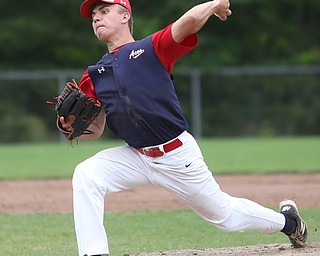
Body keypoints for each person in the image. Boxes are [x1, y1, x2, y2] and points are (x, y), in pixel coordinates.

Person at [60, 0, 308, 255]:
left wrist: (215, 4)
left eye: (104, 11)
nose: (96, 18)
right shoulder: (95, 74)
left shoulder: (150, 49)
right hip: (136, 156)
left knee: (224, 216)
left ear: (125, 17)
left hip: (176, 155)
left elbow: (188, 22)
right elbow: (96, 130)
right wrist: (69, 125)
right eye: (93, 15)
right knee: (86, 174)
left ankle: (289, 222)